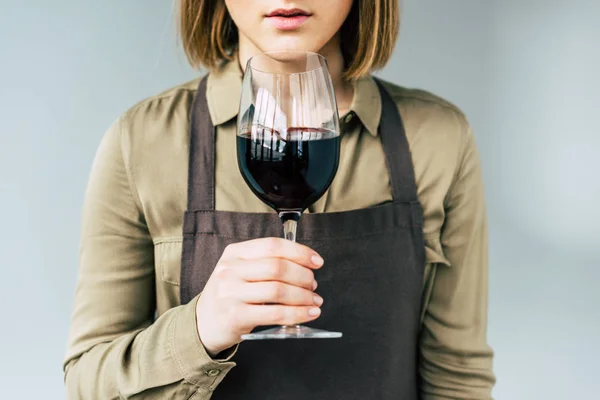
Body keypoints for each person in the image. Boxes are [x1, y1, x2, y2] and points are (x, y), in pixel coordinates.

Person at [63, 0, 496, 398]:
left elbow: (458, 376)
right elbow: (87, 384)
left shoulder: (439, 138)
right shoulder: (141, 140)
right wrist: (199, 330)